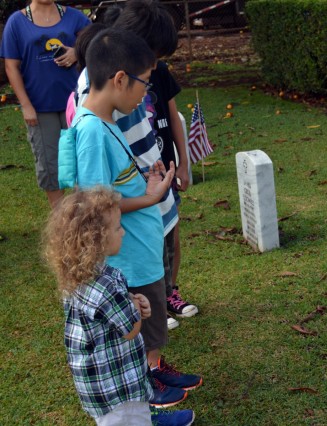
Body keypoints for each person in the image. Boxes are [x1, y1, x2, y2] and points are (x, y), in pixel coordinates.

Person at [68, 27, 202, 408]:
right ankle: (145, 390)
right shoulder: (92, 130)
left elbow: (116, 183)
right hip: (128, 259)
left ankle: (152, 370)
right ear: (120, 79)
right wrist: (151, 196)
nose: (148, 93)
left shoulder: (109, 120)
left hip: (142, 250)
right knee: (139, 326)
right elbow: (98, 204)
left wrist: (146, 181)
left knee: (153, 320)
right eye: (144, 83)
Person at [42, 187, 195, 425]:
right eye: (117, 228)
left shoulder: (77, 277)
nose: (123, 232)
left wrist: (132, 302)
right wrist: (137, 309)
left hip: (96, 384)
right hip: (118, 386)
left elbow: (109, 316)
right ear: (96, 239)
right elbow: (131, 329)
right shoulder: (106, 285)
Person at [113, 0, 199, 327]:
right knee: (148, 244)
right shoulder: (114, 83)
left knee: (170, 233)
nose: (156, 63)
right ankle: (151, 305)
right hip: (138, 183)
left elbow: (175, 117)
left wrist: (184, 163)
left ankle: (169, 293)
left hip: (164, 171)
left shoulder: (159, 72)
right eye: (154, 55)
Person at [0, 0, 89, 207]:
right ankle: (60, 221)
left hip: (76, 104)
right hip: (40, 107)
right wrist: (26, 104)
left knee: (83, 160)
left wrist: (77, 52)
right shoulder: (17, 22)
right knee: (50, 166)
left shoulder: (73, 17)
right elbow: (11, 67)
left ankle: (83, 217)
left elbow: (97, 40)